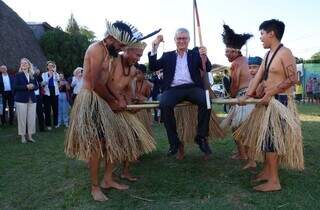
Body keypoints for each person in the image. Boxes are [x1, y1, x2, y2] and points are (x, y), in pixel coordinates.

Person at [65, 20, 144, 202]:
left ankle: (107, 179)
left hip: (104, 100)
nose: (122, 47)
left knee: (114, 141)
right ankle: (95, 187)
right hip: (90, 100)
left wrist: (118, 98)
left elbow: (107, 82)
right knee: (96, 145)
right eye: (120, 44)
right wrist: (112, 101)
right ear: (110, 38)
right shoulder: (96, 49)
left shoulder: (110, 54)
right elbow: (93, 83)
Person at [237, 19, 304, 192]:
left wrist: (271, 91)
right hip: (269, 102)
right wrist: (246, 96)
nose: (261, 38)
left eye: (262, 34)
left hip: (281, 101)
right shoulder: (267, 55)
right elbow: (258, 78)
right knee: (267, 140)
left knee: (272, 141)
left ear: (271, 33)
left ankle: (274, 181)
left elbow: (293, 78)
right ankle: (267, 172)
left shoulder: (285, 53)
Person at [148, 28, 212, 159]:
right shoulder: (167, 56)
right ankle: (174, 142)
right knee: (164, 104)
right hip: (173, 89)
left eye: (184, 38)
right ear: (175, 40)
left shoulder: (195, 54)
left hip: (192, 87)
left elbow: (208, 68)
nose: (181, 41)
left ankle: (201, 136)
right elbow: (153, 67)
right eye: (179, 38)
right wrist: (155, 47)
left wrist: (204, 55)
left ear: (188, 40)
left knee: (207, 101)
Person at [105, 42, 156, 184]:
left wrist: (131, 102)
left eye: (141, 55)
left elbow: (128, 90)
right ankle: (107, 177)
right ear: (127, 50)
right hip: (107, 105)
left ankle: (125, 172)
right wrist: (115, 100)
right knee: (111, 142)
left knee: (131, 137)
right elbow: (103, 83)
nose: (139, 59)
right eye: (137, 55)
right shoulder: (113, 62)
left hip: (122, 107)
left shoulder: (133, 70)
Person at [220, 24, 254, 161]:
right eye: (225, 52)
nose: (226, 55)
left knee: (236, 128)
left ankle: (244, 155)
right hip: (251, 98)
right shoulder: (246, 60)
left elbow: (234, 85)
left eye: (228, 52)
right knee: (245, 128)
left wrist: (231, 96)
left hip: (243, 99)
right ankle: (244, 153)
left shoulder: (235, 64)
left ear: (235, 52)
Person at [14, 58, 38, 143]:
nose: (23, 64)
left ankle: (30, 136)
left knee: (31, 118)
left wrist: (33, 86)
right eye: (22, 63)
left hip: (32, 99)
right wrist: (26, 87)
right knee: (22, 119)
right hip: (21, 99)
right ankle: (23, 137)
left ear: (28, 65)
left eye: (25, 63)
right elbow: (15, 87)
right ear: (20, 65)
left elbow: (37, 86)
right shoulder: (18, 75)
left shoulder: (32, 75)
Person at [42, 61, 60, 130]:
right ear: (47, 67)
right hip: (47, 93)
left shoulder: (56, 74)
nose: (50, 67)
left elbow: (58, 82)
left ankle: (55, 123)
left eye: (52, 66)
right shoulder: (44, 74)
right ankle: (48, 124)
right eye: (49, 66)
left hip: (55, 93)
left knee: (55, 109)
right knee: (47, 110)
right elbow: (43, 83)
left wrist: (54, 73)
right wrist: (50, 76)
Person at [34, 67, 45, 132]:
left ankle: (42, 128)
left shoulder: (39, 77)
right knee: (32, 113)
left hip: (39, 96)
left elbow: (42, 84)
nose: (37, 71)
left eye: (38, 71)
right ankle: (32, 129)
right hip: (32, 96)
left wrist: (42, 84)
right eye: (36, 71)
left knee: (40, 112)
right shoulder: (30, 77)